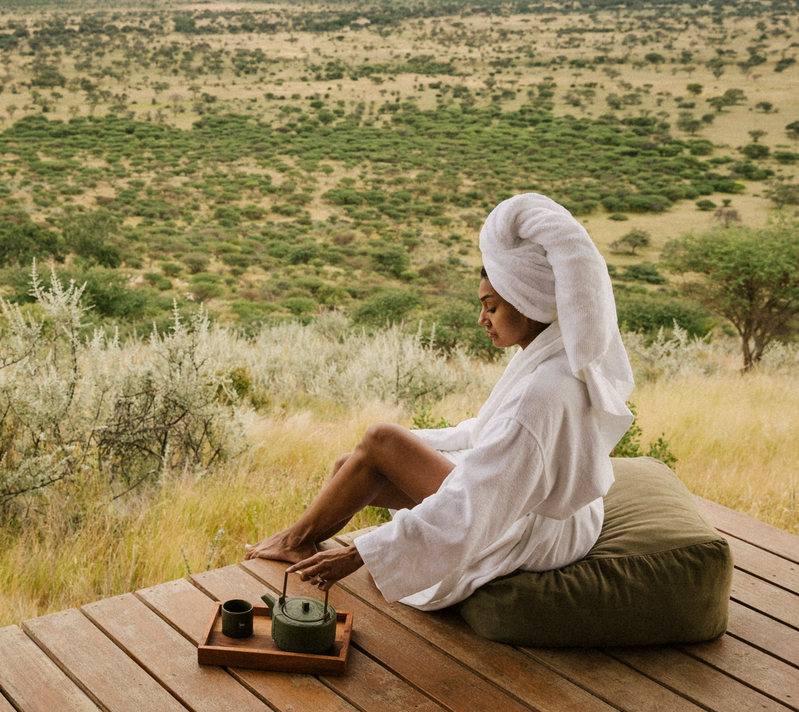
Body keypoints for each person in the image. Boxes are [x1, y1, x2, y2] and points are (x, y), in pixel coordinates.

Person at [245, 192, 636, 609]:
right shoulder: (554, 353)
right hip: (540, 508)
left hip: (531, 529)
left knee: (380, 441)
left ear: (529, 302)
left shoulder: (545, 389)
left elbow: (481, 501)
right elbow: (492, 439)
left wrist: (364, 553)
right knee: (352, 467)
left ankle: (293, 540)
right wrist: (420, 449)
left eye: (491, 306)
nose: (481, 319)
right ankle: (300, 541)